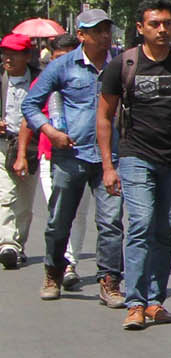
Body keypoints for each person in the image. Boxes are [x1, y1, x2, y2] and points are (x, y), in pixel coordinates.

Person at [97, 0, 171, 331]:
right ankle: (135, 302)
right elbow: (104, 116)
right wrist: (107, 165)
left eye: (168, 24)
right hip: (134, 156)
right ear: (140, 28)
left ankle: (156, 301)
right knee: (141, 224)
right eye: (155, 24)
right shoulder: (124, 65)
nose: (162, 29)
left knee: (165, 229)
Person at [26, 23, 112, 300]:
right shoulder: (62, 66)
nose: (104, 36)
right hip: (70, 154)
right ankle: (53, 272)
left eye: (107, 30)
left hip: (111, 156)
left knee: (111, 222)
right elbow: (30, 104)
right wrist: (50, 131)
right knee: (60, 220)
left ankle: (109, 281)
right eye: (97, 31)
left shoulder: (120, 65)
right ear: (82, 36)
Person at [1, 33, 38, 270]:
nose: (8, 58)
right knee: (5, 195)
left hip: (31, 147)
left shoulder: (40, 79)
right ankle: (7, 244)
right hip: (3, 144)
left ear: (27, 56)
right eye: (5, 53)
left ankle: (18, 246)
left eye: (14, 54)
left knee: (24, 201)